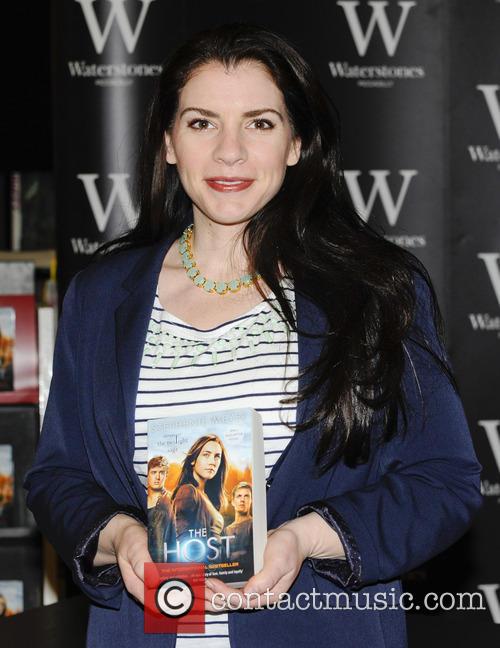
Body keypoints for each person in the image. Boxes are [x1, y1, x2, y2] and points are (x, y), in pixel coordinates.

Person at [23, 21, 483, 648]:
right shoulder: (101, 297)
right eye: (201, 122)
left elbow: (445, 481)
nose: (229, 152)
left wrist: (306, 538)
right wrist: (117, 535)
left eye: (260, 124)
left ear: (296, 143)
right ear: (167, 142)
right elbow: (58, 476)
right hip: (145, 631)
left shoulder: (373, 290)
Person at [170, 435, 227, 562]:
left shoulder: (207, 496)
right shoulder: (188, 491)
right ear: (193, 460)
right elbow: (183, 538)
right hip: (203, 569)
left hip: (218, 568)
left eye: (217, 456)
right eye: (206, 454)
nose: (212, 461)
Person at [146, 456, 176, 563]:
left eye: (161, 473)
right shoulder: (140, 498)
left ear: (166, 475)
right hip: (143, 558)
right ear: (147, 474)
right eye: (153, 472)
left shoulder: (173, 499)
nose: (157, 477)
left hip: (168, 561)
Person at [224, 482, 253, 567]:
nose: (242, 500)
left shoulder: (254, 524)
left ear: (251, 500)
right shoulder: (227, 530)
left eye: (246, 496)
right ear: (232, 501)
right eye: (239, 496)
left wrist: (239, 555)